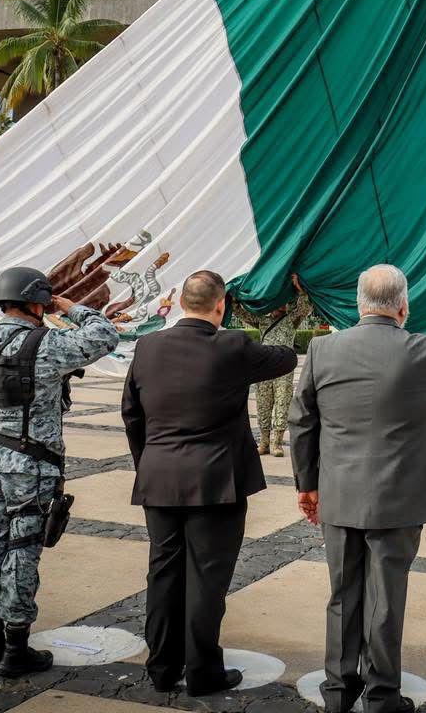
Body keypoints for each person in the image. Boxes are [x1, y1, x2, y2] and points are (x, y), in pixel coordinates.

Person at [288, 265, 426, 713]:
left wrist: (307, 485)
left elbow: (301, 421)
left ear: (359, 304)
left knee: (342, 593)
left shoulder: (322, 349)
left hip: (338, 493)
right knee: (385, 600)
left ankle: (337, 690)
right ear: (403, 305)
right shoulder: (424, 349)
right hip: (398, 498)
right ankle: (381, 695)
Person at [0, 267, 118, 678]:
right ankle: (16, 649)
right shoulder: (48, 343)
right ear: (39, 302)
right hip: (31, 468)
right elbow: (105, 336)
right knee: (21, 552)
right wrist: (73, 309)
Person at [122, 270, 298, 695]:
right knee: (206, 579)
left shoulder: (148, 346)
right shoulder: (234, 345)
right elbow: (286, 359)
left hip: (160, 477)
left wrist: (149, 462)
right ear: (221, 306)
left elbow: (132, 412)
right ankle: (203, 673)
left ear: (182, 302)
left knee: (162, 576)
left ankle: (162, 669)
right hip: (216, 481)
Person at [231, 275, 314, 457]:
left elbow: (305, 308)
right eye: (278, 302)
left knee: (282, 404)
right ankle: (264, 442)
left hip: (284, 368)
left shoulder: (292, 319)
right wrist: (235, 294)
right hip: (264, 367)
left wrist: (300, 290)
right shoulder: (262, 320)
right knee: (263, 403)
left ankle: (277, 442)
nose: (281, 306)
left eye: (284, 302)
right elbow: (240, 312)